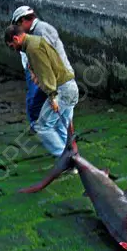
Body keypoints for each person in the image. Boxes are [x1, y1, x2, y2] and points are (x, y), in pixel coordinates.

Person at [5, 24, 78, 158]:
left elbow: (46, 73)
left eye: (11, 46)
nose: (13, 49)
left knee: (43, 127)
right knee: (61, 126)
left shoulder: (33, 48)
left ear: (16, 39)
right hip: (70, 87)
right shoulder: (36, 41)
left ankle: (67, 159)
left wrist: (52, 96)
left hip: (61, 91)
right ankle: (72, 158)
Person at [11, 5, 74, 131]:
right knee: (62, 108)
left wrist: (37, 75)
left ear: (23, 20)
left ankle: (46, 130)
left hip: (53, 74)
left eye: (18, 25)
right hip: (52, 74)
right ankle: (65, 137)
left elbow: (47, 59)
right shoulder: (35, 32)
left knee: (37, 101)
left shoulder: (40, 31)